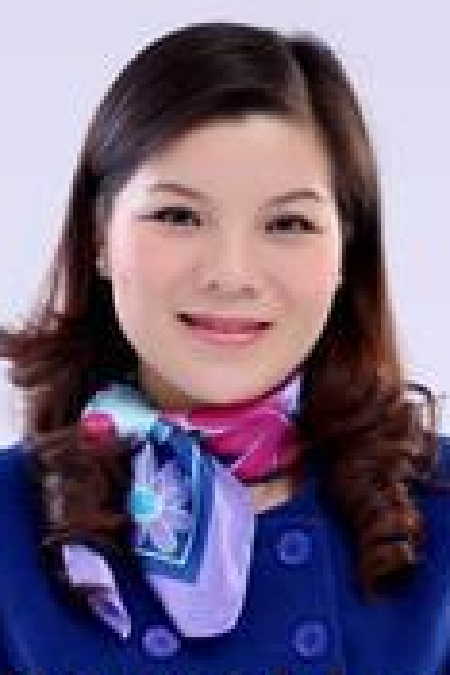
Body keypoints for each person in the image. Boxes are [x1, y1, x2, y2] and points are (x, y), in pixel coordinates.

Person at [0, 20, 449, 675]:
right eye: (179, 216)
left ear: (346, 253)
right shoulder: (10, 519)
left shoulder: (438, 501)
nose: (231, 274)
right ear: (98, 237)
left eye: (288, 223)